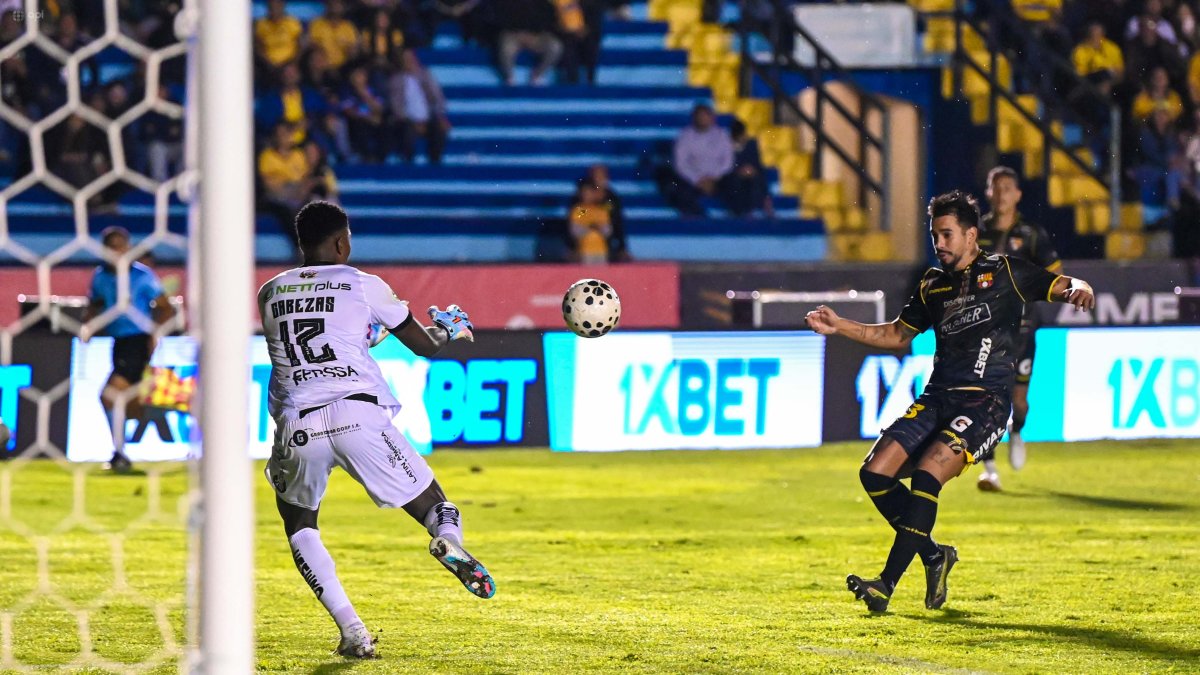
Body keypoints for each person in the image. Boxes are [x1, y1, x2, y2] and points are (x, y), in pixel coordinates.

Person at [806, 190, 1094, 613]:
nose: (938, 244)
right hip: (938, 397)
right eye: (934, 235)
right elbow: (896, 334)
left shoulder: (1006, 272)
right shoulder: (932, 285)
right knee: (874, 473)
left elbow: (1064, 284)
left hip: (985, 403)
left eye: (946, 234)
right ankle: (934, 555)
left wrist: (1081, 288)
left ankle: (885, 584)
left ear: (971, 235)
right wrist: (840, 326)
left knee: (927, 475)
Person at [258, 201, 495, 658]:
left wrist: (367, 334)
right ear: (341, 243)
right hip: (357, 416)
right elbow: (423, 346)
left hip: (298, 425)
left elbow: (324, 333)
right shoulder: (364, 284)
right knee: (436, 506)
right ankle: (448, 542)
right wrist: (447, 329)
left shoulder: (270, 292)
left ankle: (352, 631)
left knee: (300, 524)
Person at [976, 167, 1062, 491]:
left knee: (1018, 399)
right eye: (996, 188)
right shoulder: (976, 231)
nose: (1001, 194)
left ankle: (1017, 431)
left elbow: (1055, 276)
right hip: (985, 329)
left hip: (1023, 328)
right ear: (988, 193)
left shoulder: (1031, 234)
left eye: (1007, 188)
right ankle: (989, 470)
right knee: (985, 399)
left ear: (1017, 195)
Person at [82, 227, 177, 473]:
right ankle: (122, 450)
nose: (118, 250)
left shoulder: (142, 276)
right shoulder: (100, 276)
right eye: (112, 246)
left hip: (138, 341)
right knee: (129, 402)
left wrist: (155, 333)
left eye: (121, 245)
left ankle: (120, 453)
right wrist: (88, 325)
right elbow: (96, 302)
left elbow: (165, 307)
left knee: (109, 396)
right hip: (119, 343)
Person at [663, 102, 734, 216]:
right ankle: (698, 217)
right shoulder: (685, 136)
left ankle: (737, 216)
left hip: (717, 178)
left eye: (705, 116)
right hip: (693, 180)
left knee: (735, 183)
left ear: (712, 118)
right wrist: (697, 180)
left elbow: (728, 161)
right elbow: (680, 164)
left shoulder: (722, 135)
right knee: (679, 189)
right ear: (694, 118)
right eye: (700, 116)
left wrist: (713, 178)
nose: (703, 119)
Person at [387, 49, 451, 164]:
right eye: (406, 59)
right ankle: (408, 162)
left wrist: (439, 115)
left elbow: (438, 98)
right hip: (406, 119)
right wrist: (414, 122)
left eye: (411, 58)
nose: (410, 62)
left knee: (439, 127)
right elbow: (396, 106)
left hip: (428, 117)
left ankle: (435, 161)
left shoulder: (425, 75)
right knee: (406, 130)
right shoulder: (396, 80)